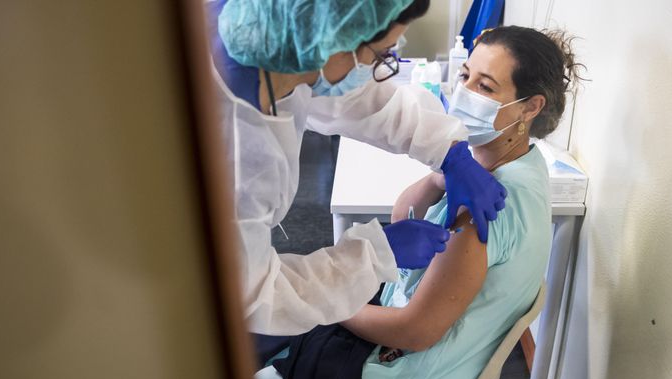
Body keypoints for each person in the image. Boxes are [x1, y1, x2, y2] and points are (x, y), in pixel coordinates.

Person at [258, 25, 585, 379]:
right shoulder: (520, 165)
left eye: (485, 86)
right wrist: (438, 176)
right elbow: (403, 215)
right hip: (424, 362)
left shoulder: (485, 211)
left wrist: (331, 302)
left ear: (529, 107)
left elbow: (414, 330)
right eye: (465, 75)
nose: (464, 93)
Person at [209, 0, 510, 337]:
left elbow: (359, 100)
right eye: (380, 54)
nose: (373, 68)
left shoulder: (266, 32)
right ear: (332, 39)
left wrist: (450, 150)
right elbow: (252, 297)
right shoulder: (236, 152)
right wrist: (373, 255)